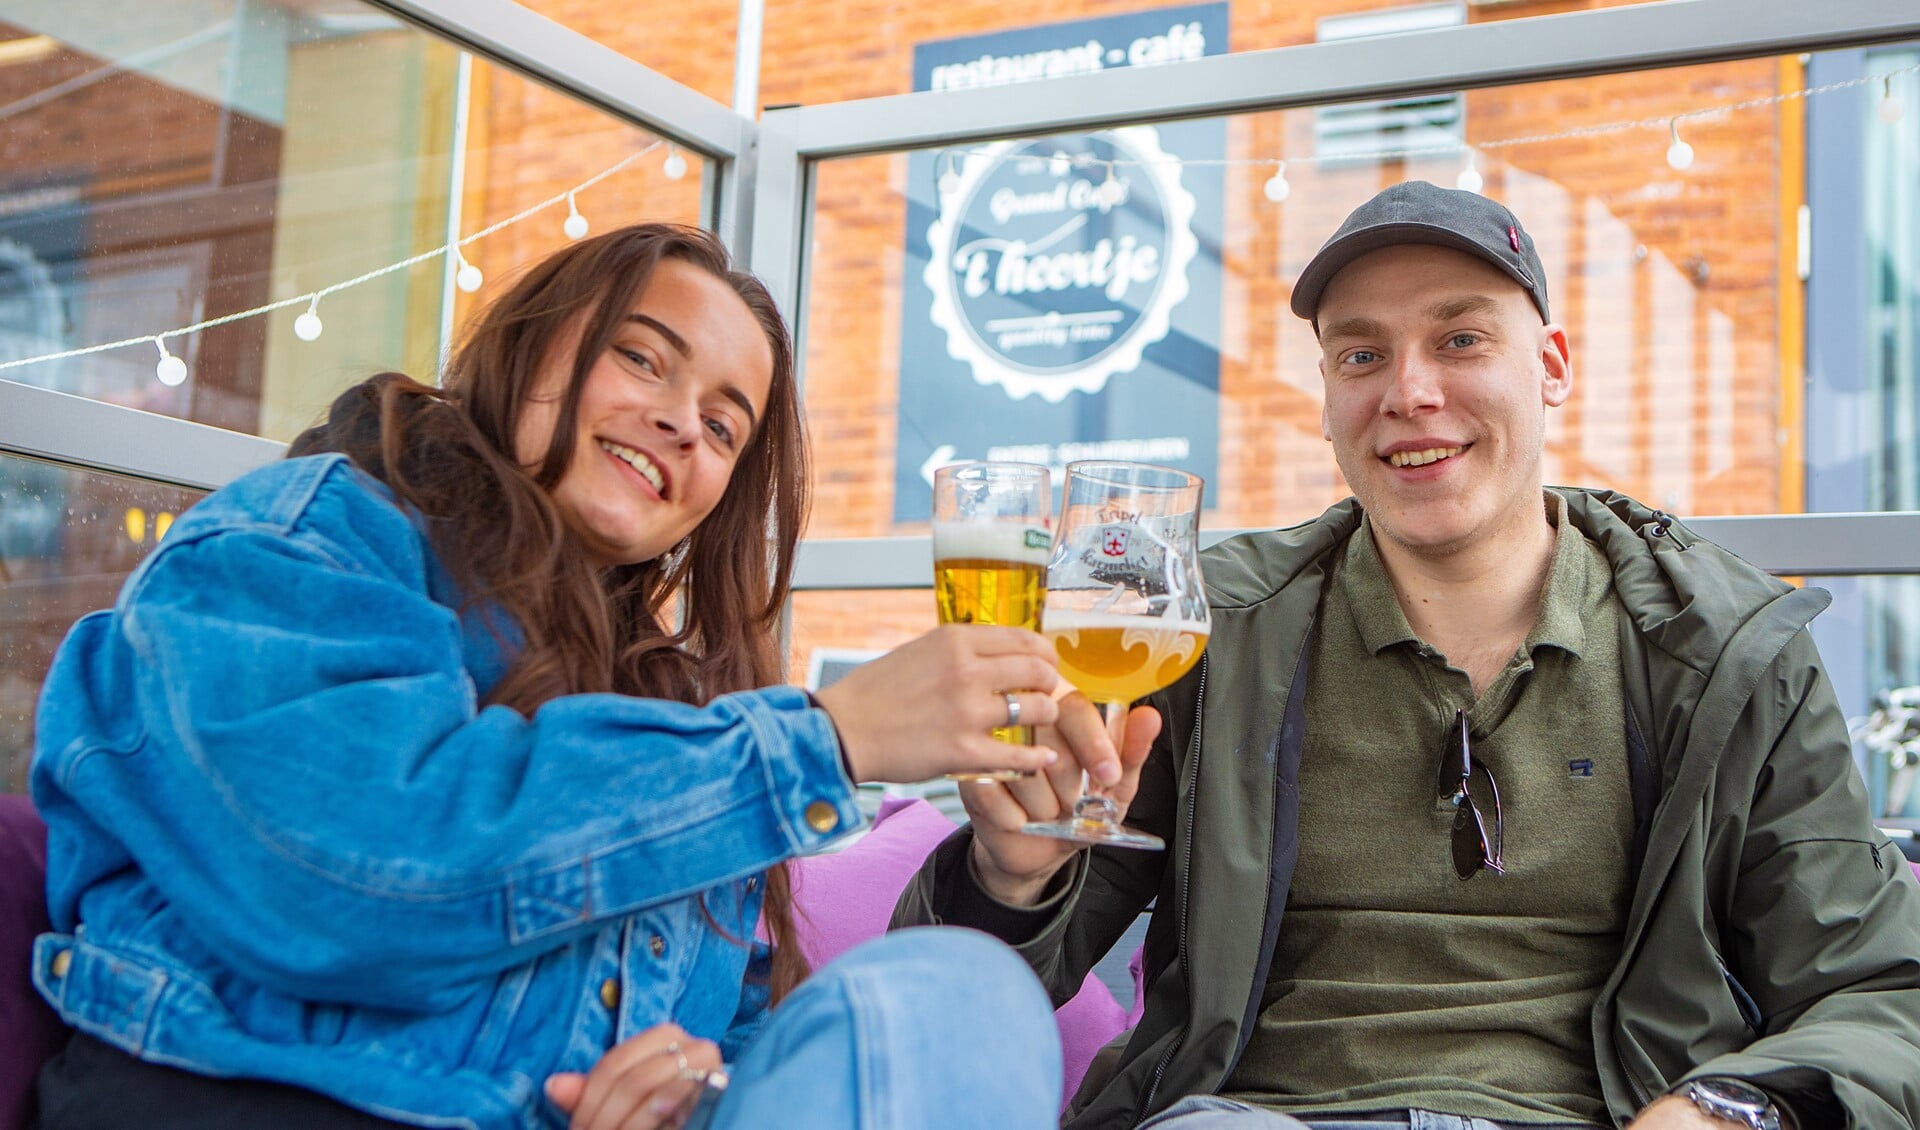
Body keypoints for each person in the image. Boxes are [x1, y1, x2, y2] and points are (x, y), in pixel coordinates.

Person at [896, 182, 1920, 1130]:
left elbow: (1879, 987)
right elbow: (963, 998)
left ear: (1552, 365)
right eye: (1361, 354)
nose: (1409, 390)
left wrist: (1733, 1106)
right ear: (1328, 397)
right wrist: (1008, 877)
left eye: (1461, 338)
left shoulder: (1724, 650)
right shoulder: (1207, 629)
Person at [27, 223, 1079, 1130]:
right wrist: (826, 740)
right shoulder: (299, 545)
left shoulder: (664, 712)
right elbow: (359, 873)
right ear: (529, 346)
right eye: (641, 357)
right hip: (269, 1103)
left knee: (965, 1000)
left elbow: (729, 1006)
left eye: (723, 424)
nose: (681, 421)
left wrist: (700, 1082)